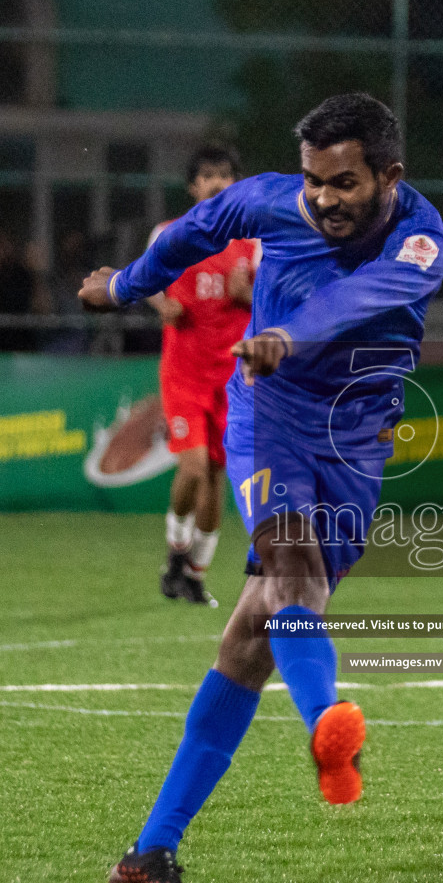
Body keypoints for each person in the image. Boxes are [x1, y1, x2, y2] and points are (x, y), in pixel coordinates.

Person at [79, 93, 443, 883]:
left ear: (390, 176)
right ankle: (327, 725)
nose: (323, 200)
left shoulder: (424, 242)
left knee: (251, 638)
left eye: (345, 183)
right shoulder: (268, 198)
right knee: (293, 574)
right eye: (316, 182)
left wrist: (293, 333)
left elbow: (355, 301)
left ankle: (146, 861)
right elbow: (190, 234)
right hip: (268, 415)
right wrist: (125, 286)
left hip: (356, 446)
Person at [145, 145, 258, 608]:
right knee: (191, 468)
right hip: (184, 373)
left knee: (216, 479)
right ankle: (176, 553)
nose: (216, 182)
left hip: (231, 380)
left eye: (225, 175)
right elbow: (143, 279)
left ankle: (193, 573)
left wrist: (247, 293)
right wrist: (162, 304)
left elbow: (275, 306)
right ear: (193, 187)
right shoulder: (170, 234)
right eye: (208, 175)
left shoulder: (253, 244)